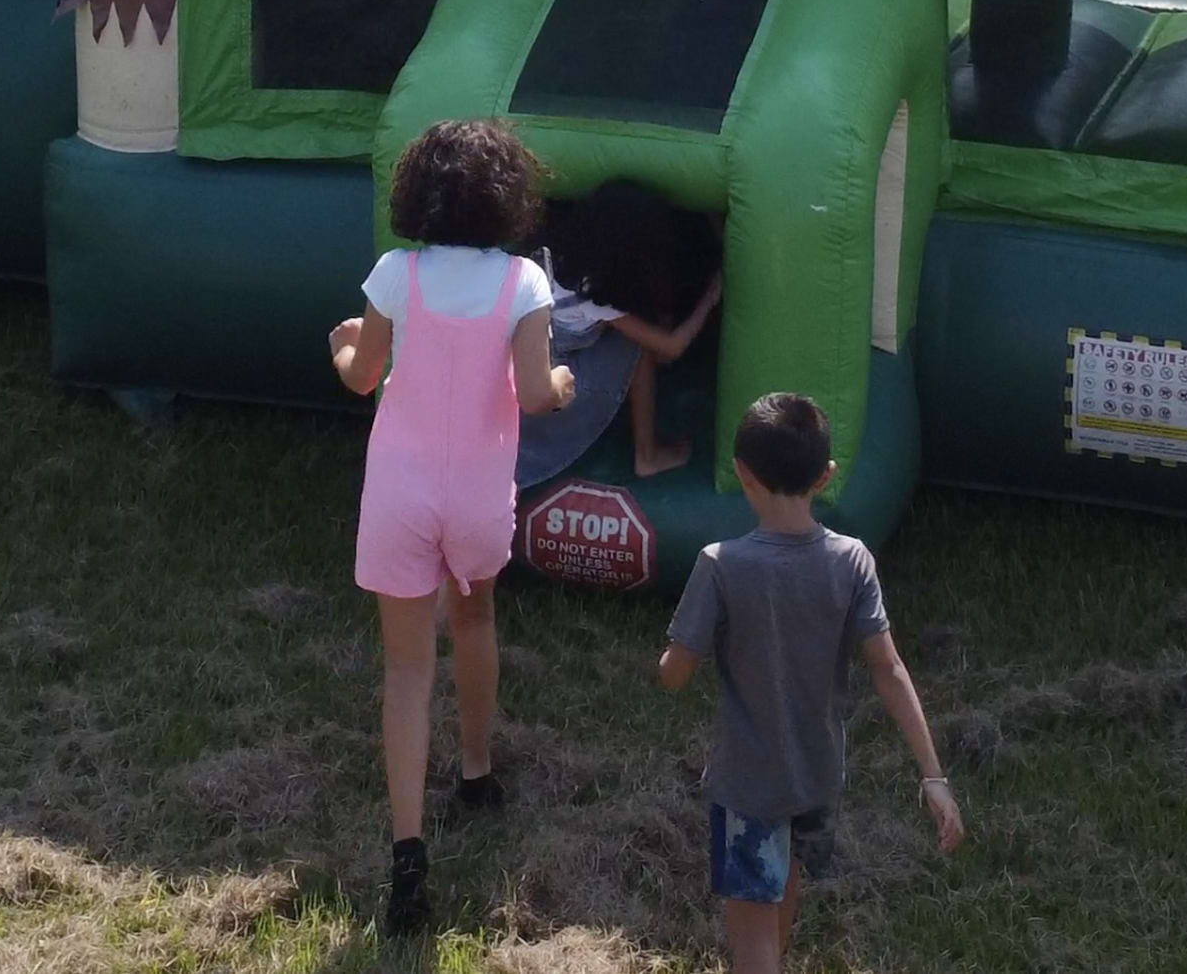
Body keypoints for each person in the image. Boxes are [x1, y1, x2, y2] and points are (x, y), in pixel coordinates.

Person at [328, 118, 578, 936]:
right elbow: (537, 392)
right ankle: (475, 771)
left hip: (399, 494)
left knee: (406, 669)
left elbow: (364, 377)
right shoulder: (523, 285)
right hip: (476, 494)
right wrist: (567, 381)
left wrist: (342, 347)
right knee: (474, 616)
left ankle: (407, 856)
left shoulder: (395, 274)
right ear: (508, 197)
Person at [656, 392, 963, 974]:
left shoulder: (721, 563)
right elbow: (889, 670)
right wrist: (933, 777)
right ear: (826, 476)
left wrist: (667, 662)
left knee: (753, 948)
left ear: (742, 475)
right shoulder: (853, 561)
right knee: (780, 908)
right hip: (817, 781)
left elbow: (676, 675)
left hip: (749, 787)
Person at [533, 179, 725, 477]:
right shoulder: (591, 293)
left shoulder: (557, 255)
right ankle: (646, 455)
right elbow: (670, 347)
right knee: (638, 345)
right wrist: (710, 298)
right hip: (558, 374)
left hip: (543, 352)